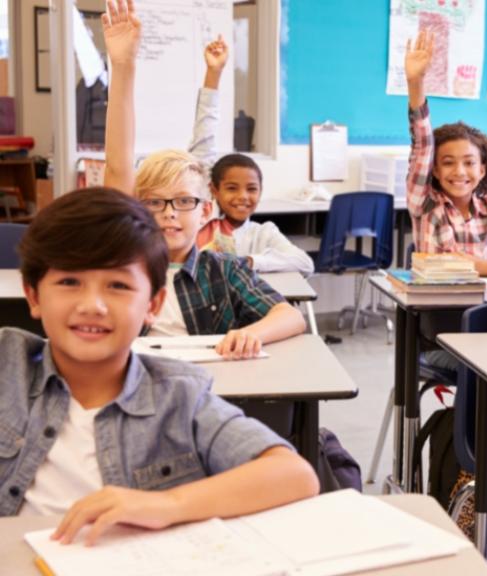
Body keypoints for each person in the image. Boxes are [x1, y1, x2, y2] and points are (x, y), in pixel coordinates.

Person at [4, 187, 319, 545]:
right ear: (33, 295)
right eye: (69, 282)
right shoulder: (8, 364)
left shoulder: (179, 396)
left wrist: (166, 504)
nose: (92, 305)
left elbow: (295, 475)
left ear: (152, 304)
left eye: (118, 286)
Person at [101, 0, 307, 358]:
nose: (169, 213)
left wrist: (249, 335)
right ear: (137, 208)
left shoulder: (223, 270)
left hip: (205, 391)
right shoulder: (126, 262)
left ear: (206, 210)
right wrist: (122, 65)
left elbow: (291, 317)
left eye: (183, 202)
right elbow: (118, 166)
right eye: (154, 202)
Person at [188, 36, 315, 275]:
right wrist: (213, 74)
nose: (242, 197)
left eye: (251, 189)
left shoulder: (262, 233)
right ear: (213, 190)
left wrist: (251, 262)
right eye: (232, 188)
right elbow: (203, 138)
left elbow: (305, 264)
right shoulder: (198, 220)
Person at [405, 30, 487, 277]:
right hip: (439, 309)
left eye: (469, 163)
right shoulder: (425, 204)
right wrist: (415, 83)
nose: (459, 171)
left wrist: (482, 267)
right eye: (448, 163)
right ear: (435, 170)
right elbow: (423, 145)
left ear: (482, 170)